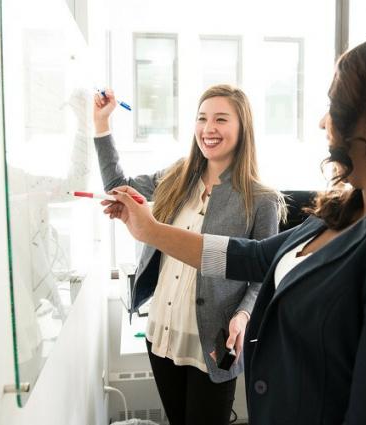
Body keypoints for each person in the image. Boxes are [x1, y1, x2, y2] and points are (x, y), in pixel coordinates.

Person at [101, 35, 366, 425]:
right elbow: (255, 257)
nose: (323, 122)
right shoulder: (342, 211)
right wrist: (150, 231)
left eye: (334, 103)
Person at [93, 84, 284, 425]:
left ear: (243, 129)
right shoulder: (175, 177)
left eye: (221, 119)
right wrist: (101, 124)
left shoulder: (261, 199)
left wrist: (242, 316)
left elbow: (262, 276)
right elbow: (117, 185)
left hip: (212, 342)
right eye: (202, 118)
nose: (209, 128)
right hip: (162, 333)